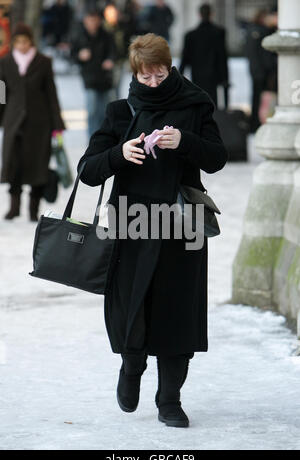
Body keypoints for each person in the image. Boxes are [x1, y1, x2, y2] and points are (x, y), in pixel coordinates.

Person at [77, 33, 227, 428]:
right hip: (133, 223)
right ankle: (131, 366)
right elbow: (87, 171)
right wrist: (119, 153)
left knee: (178, 311)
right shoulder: (120, 112)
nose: (155, 84)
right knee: (133, 306)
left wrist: (186, 141)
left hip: (182, 224)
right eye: (148, 78)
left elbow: (217, 159)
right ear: (135, 73)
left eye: (161, 75)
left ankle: (170, 401)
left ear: (169, 66)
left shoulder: (196, 103)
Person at [0, 23, 65, 221]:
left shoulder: (43, 61)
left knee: (38, 166)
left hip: (40, 122)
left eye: (25, 41)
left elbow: (51, 93)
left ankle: (33, 210)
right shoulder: (5, 61)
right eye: (18, 42)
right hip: (13, 120)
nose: (22, 45)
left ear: (31, 41)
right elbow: (1, 92)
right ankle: (14, 207)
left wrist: (57, 124)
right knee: (14, 164)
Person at [71, 8, 115, 139]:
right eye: (90, 20)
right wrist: (80, 56)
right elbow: (72, 54)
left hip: (105, 79)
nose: (92, 23)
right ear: (85, 21)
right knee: (92, 110)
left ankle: (105, 137)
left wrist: (110, 60)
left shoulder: (106, 35)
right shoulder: (80, 36)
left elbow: (114, 51)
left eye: (95, 20)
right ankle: (93, 138)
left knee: (105, 111)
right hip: (89, 79)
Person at [179, 3, 228, 108]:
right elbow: (222, 57)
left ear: (199, 15)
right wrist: (225, 78)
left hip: (197, 75)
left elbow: (185, 58)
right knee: (212, 105)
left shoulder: (190, 35)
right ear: (211, 14)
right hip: (213, 75)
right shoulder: (219, 33)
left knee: (199, 104)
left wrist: (178, 76)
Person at [245, 8, 278, 132]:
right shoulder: (263, 31)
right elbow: (266, 56)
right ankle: (259, 123)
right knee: (263, 99)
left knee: (256, 98)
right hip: (263, 73)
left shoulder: (252, 30)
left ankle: (255, 124)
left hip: (255, 71)